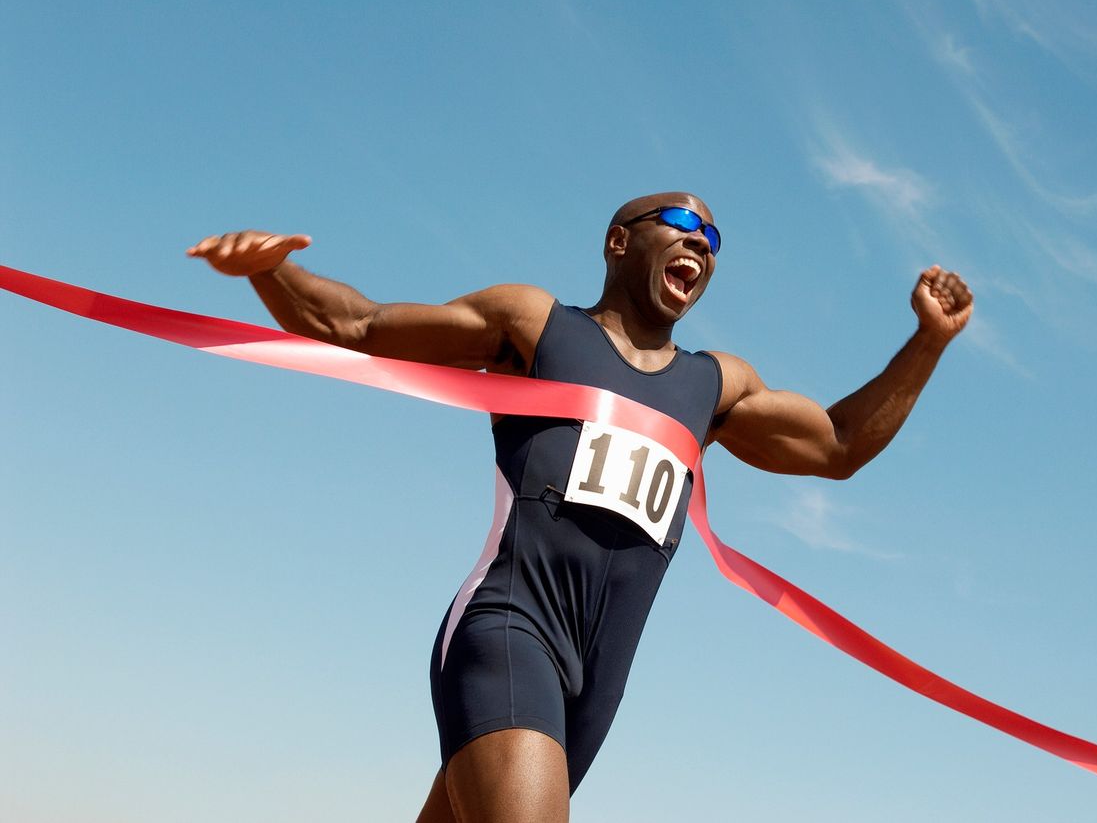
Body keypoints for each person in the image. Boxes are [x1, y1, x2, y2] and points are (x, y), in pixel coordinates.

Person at [186, 193, 973, 823]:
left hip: (594, 685)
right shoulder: (536, 324)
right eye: (682, 222)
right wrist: (270, 273)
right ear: (619, 241)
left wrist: (927, 344)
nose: (702, 241)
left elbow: (836, 444)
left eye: (714, 237)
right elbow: (358, 324)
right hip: (509, 627)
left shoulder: (716, 385)